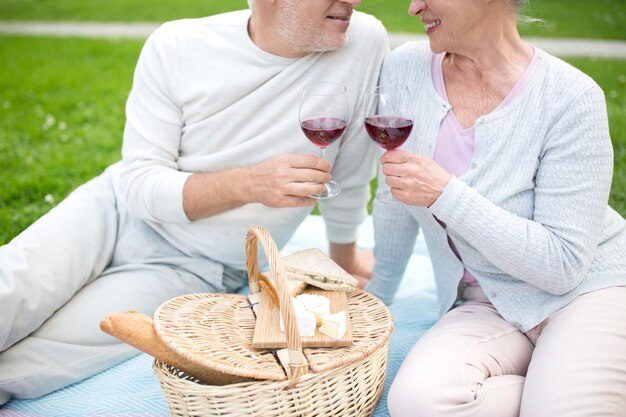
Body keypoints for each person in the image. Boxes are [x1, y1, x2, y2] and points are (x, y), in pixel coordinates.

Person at [0, 0, 388, 403]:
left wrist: (344, 261)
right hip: (111, 213)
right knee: (12, 287)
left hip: (197, 266)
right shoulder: (178, 45)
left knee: (41, 357)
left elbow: (353, 170)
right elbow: (137, 186)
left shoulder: (361, 40)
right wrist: (251, 183)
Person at [363, 0, 626, 416]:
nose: (414, 7)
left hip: (586, 293)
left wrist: (446, 193)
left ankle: (564, 388)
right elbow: (397, 195)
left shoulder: (571, 97)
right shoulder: (405, 69)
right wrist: (375, 299)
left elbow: (563, 267)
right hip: (484, 301)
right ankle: (555, 385)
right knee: (415, 401)